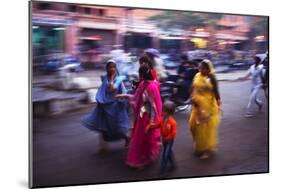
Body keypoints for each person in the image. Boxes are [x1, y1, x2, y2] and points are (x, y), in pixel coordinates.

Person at [116, 65, 162, 168]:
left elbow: (154, 106)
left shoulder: (151, 86)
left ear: (143, 74)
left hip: (148, 116)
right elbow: (136, 97)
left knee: (144, 137)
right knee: (139, 137)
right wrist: (125, 96)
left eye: (140, 74)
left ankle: (144, 158)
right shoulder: (143, 84)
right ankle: (141, 158)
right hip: (142, 115)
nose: (139, 76)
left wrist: (151, 122)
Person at [82, 60, 129, 149]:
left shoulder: (118, 79)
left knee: (117, 127)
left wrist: (111, 79)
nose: (112, 69)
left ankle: (126, 138)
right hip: (105, 106)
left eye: (113, 67)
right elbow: (103, 91)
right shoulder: (105, 79)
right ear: (106, 68)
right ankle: (103, 147)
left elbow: (113, 89)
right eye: (109, 67)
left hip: (116, 106)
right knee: (104, 126)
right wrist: (101, 100)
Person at [189, 59, 222, 160]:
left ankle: (206, 150)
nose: (201, 70)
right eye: (200, 67)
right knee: (193, 126)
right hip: (197, 106)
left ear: (208, 69)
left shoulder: (212, 78)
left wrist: (219, 104)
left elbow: (216, 92)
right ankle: (199, 146)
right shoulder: (197, 76)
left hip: (208, 107)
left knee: (205, 129)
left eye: (203, 68)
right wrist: (191, 97)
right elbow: (192, 87)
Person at [145, 100, 177, 172]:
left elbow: (173, 133)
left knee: (165, 154)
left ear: (170, 112)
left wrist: (167, 138)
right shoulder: (162, 119)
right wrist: (151, 126)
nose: (162, 112)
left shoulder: (173, 122)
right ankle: (173, 164)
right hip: (164, 139)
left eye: (164, 111)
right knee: (168, 152)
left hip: (169, 140)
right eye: (163, 110)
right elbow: (158, 125)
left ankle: (163, 168)